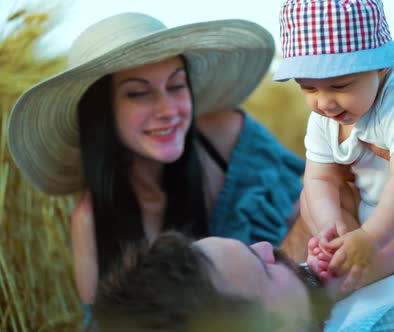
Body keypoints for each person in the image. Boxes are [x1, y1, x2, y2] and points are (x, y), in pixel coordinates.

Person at [90, 90, 394, 331]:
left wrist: (347, 215)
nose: (268, 246)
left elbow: (311, 225)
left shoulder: (307, 295)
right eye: (264, 272)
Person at [6, 12, 308, 313]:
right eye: (138, 93)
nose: (168, 109)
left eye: (176, 85)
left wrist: (284, 280)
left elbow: (315, 209)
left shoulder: (229, 139)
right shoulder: (91, 219)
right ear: (102, 113)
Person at [273, 0, 394, 289]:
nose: (324, 102)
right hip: (371, 205)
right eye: (309, 88)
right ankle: (338, 248)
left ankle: (361, 273)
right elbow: (320, 177)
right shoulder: (324, 116)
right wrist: (330, 224)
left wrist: (371, 238)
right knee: (312, 196)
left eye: (340, 86)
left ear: (380, 68)